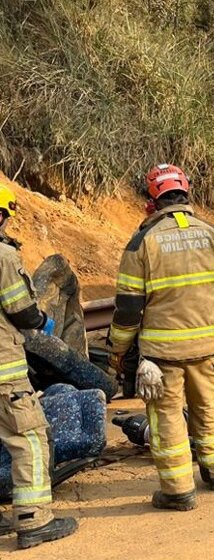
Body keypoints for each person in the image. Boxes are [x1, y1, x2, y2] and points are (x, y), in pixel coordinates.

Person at [108, 164, 214, 511]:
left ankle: (178, 491)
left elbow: (129, 307)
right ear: (187, 194)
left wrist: (118, 348)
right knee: (208, 408)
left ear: (152, 202)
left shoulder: (142, 243)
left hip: (162, 354)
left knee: (166, 419)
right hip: (207, 347)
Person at [0, 186, 78, 549]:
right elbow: (21, 310)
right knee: (27, 438)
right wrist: (42, 319)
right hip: (3, 370)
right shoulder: (2, 256)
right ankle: (33, 521)